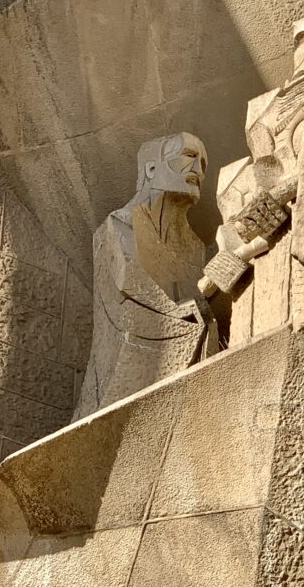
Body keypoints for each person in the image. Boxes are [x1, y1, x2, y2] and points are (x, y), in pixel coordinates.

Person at [73, 133, 211, 419]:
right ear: (151, 169)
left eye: (204, 164)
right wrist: (197, 304)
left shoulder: (196, 249)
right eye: (188, 156)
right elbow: (136, 294)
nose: (198, 171)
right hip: (124, 381)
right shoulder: (120, 224)